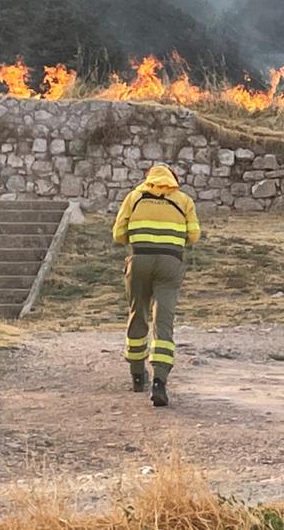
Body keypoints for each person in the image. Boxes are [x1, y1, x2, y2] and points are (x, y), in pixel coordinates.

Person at [112, 164, 200, 407]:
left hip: (139, 261)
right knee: (163, 320)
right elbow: (194, 236)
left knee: (137, 313)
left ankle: (137, 375)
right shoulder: (183, 200)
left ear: (148, 178)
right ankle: (160, 381)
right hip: (170, 264)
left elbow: (118, 235)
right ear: (173, 179)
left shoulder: (134, 197)